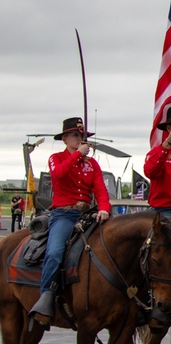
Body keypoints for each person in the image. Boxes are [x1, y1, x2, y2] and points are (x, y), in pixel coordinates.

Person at [29, 117, 111, 326]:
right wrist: (76, 156)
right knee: (55, 252)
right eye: (75, 135)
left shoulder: (92, 164)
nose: (79, 139)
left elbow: (100, 190)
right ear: (65, 138)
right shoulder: (56, 158)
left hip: (88, 215)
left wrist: (103, 208)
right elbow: (59, 174)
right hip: (64, 215)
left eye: (82, 136)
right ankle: (46, 296)